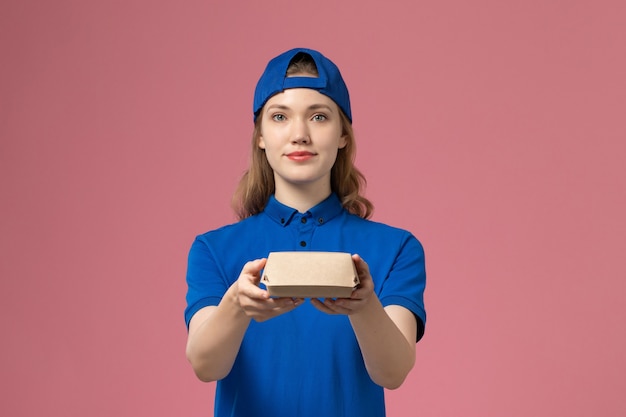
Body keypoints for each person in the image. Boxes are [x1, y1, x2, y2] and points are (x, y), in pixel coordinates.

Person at [184, 48, 426, 417]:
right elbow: (205, 366)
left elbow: (392, 373)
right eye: (280, 117)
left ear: (343, 135)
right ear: (260, 136)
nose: (300, 134)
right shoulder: (213, 250)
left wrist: (365, 308)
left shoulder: (397, 248)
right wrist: (237, 305)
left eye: (318, 116)